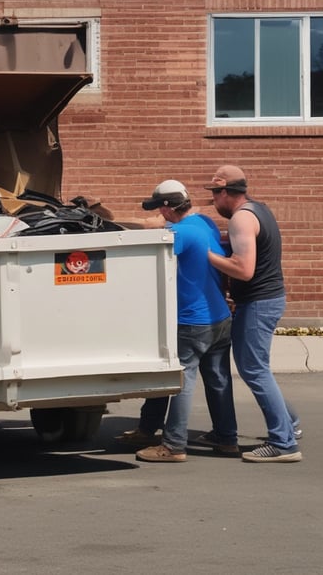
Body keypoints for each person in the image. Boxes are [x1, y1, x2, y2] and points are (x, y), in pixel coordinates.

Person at [126, 180, 239, 462]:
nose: (159, 215)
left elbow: (148, 250)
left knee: (180, 381)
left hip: (192, 321)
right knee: (218, 380)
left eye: (159, 209)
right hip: (220, 317)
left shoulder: (177, 234)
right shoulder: (205, 223)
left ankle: (174, 445)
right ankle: (227, 438)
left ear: (166, 208)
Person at [206, 165, 302, 463]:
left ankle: (283, 443)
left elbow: (244, 270)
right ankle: (290, 424)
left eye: (214, 195)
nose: (213, 202)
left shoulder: (241, 219)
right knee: (257, 368)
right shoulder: (258, 209)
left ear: (225, 192)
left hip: (259, 303)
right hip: (266, 300)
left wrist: (204, 252)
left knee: (254, 370)